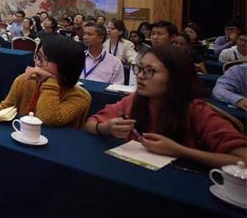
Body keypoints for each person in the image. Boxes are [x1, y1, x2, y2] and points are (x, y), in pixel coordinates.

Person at [85, 46, 246, 168]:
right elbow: (90, 124)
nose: (140, 76)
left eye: (150, 71)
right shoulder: (135, 100)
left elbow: (243, 159)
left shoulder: (196, 110)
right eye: (139, 69)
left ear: (175, 77)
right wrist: (105, 128)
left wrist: (179, 151)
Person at [0, 35, 91, 128]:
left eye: (44, 59)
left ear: (65, 66)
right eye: (37, 57)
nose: (37, 63)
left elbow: (49, 119)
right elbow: (7, 107)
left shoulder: (80, 97)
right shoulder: (24, 80)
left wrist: (50, 81)